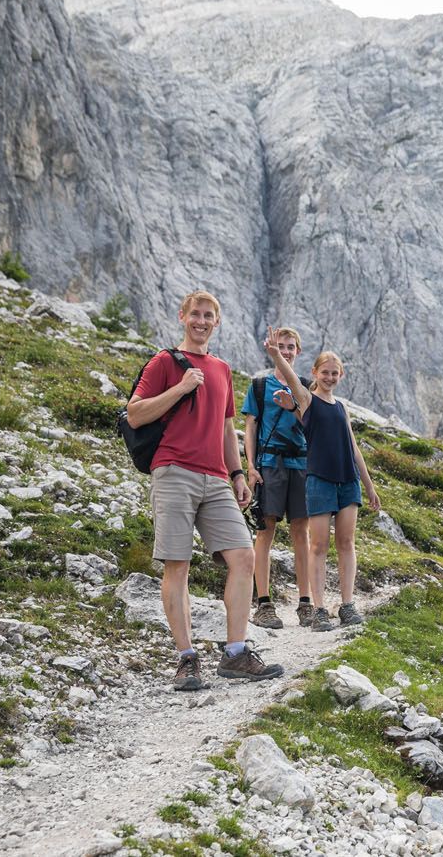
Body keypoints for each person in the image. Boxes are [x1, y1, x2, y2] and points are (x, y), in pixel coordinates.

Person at [126, 292, 284, 690]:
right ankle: (186, 659)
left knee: (244, 556)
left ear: (218, 322)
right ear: (182, 317)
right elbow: (135, 412)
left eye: (208, 316)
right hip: (173, 470)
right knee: (177, 563)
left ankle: (235, 653)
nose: (200, 320)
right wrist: (179, 389)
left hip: (215, 478)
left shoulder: (222, 369)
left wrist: (236, 474)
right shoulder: (165, 362)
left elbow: (225, 427)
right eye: (194, 314)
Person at [264, 330, 379, 630]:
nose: (329, 377)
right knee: (318, 546)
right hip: (319, 480)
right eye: (324, 372)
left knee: (346, 542)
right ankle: (318, 610)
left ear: (341, 375)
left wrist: (369, 486)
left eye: (335, 373)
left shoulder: (341, 408)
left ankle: (347, 605)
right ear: (314, 373)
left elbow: (353, 447)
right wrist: (277, 355)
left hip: (348, 481)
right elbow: (290, 378)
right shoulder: (306, 401)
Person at [242, 327, 313, 629]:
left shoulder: (307, 386)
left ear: (298, 351)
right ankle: (264, 603)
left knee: (301, 532)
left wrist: (293, 405)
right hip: (269, 462)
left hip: (301, 463)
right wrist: (250, 465)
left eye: (290, 347)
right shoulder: (258, 386)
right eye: (280, 346)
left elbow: (311, 421)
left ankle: (306, 603)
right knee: (265, 531)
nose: (285, 351)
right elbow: (250, 426)